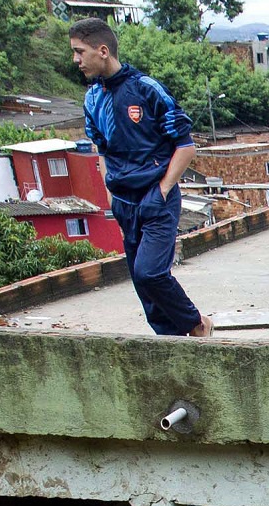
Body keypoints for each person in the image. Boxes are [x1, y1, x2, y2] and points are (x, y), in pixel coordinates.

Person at [69, 18, 211, 338]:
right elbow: (102, 149)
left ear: (102, 51)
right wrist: (110, 192)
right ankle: (171, 345)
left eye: (80, 52)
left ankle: (198, 325)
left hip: (154, 195)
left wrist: (162, 190)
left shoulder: (146, 89)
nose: (76, 60)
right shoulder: (93, 99)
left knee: (150, 273)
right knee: (141, 285)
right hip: (123, 199)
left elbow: (185, 148)